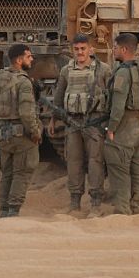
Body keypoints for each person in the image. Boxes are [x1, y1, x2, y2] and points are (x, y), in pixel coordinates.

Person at [49, 33, 112, 216]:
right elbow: (59, 96)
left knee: (95, 163)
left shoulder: (103, 70)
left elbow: (111, 96)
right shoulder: (66, 71)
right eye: (76, 49)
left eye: (83, 48)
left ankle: (95, 204)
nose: (80, 52)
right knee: (74, 163)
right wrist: (54, 119)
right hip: (73, 123)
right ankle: (75, 203)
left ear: (90, 49)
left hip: (94, 122)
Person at [0, 44, 42, 218]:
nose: (31, 59)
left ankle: (3, 210)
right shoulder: (24, 82)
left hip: (2, 135)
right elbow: (26, 113)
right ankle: (13, 211)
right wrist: (35, 132)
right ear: (19, 60)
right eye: (28, 56)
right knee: (23, 172)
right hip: (21, 136)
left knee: (7, 174)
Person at [103, 33, 139, 216]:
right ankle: (138, 207)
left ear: (124, 49)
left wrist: (111, 128)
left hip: (125, 126)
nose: (113, 51)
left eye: (115, 47)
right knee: (137, 169)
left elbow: (117, 105)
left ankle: (122, 209)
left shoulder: (123, 72)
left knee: (119, 169)